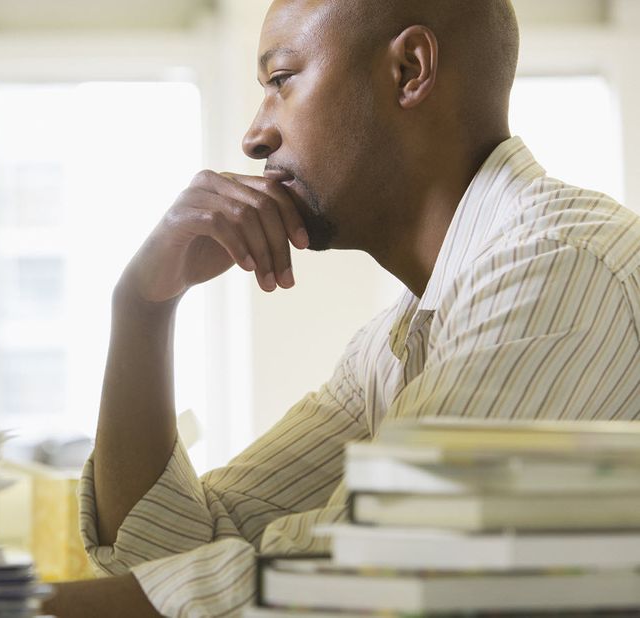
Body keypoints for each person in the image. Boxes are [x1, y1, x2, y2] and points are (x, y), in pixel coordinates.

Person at [41, 0, 640, 616]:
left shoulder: (556, 271)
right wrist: (142, 307)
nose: (254, 136)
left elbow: (356, 584)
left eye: (281, 81)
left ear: (410, 69)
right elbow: (169, 556)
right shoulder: (390, 347)